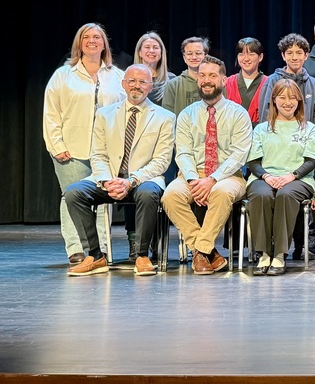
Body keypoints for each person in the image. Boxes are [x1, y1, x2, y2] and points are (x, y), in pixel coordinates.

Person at [63, 64, 176, 276]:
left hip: (143, 179)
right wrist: (107, 181)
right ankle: (95, 255)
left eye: (142, 82)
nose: (136, 86)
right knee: (73, 192)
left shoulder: (165, 117)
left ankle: (142, 255)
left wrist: (131, 181)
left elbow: (161, 161)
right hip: (110, 178)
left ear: (150, 86)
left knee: (149, 193)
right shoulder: (104, 114)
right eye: (132, 81)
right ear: (124, 84)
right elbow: (98, 154)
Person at [161, 56, 253, 275]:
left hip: (228, 176)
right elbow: (182, 152)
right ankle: (207, 252)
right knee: (170, 195)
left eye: (212, 75)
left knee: (221, 192)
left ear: (223, 80)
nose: (206, 80)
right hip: (192, 175)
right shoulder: (186, 114)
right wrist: (194, 181)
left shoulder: (238, 113)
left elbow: (239, 155)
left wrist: (212, 179)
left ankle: (200, 251)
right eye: (202, 76)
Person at [43, 22, 126, 264]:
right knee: (71, 196)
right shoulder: (63, 75)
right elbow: (51, 113)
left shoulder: (117, 76)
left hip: (107, 153)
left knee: (101, 199)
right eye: (86, 37)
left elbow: (124, 113)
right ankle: (76, 249)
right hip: (72, 149)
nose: (92, 41)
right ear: (79, 43)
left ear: (104, 44)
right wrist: (56, 145)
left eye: (97, 37)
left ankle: (99, 250)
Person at [245, 80, 315, 275]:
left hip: (299, 180)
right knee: (261, 195)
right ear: (274, 100)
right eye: (282, 97)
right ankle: (264, 253)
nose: (287, 102)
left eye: (292, 97)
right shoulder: (262, 129)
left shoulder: (309, 128)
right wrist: (267, 176)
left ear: (299, 100)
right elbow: (253, 162)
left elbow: (311, 161)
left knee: (285, 195)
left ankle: (280, 254)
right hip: (264, 178)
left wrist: (292, 176)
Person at [224, 37, 268, 125]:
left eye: (251, 54)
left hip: (259, 134)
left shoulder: (269, 83)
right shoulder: (227, 82)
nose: (246, 58)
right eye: (241, 54)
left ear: (260, 57)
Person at [162, 36, 210, 115]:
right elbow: (167, 117)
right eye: (189, 54)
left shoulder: (214, 83)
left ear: (206, 56)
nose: (194, 57)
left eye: (198, 53)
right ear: (184, 58)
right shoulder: (173, 85)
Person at [133, 31, 174, 105]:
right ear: (140, 53)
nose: (151, 51)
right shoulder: (129, 79)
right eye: (147, 47)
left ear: (161, 52)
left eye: (155, 47)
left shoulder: (172, 80)